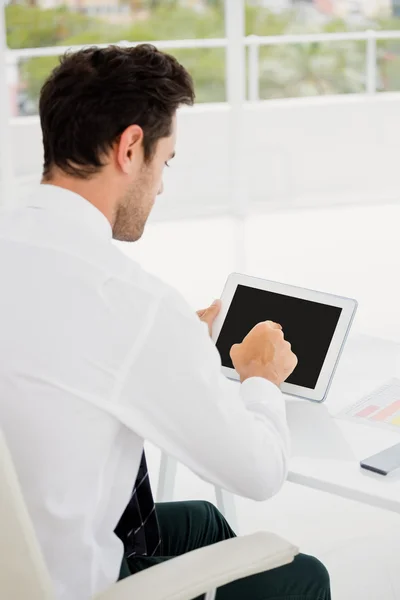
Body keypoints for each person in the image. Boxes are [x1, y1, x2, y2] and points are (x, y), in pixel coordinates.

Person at [0, 44, 331, 600]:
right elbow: (258, 473)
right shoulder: (133, 304)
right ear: (131, 148)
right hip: (63, 586)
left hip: (15, 553)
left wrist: (178, 351)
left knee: (202, 520)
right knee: (302, 575)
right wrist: (260, 379)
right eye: (165, 161)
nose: (161, 186)